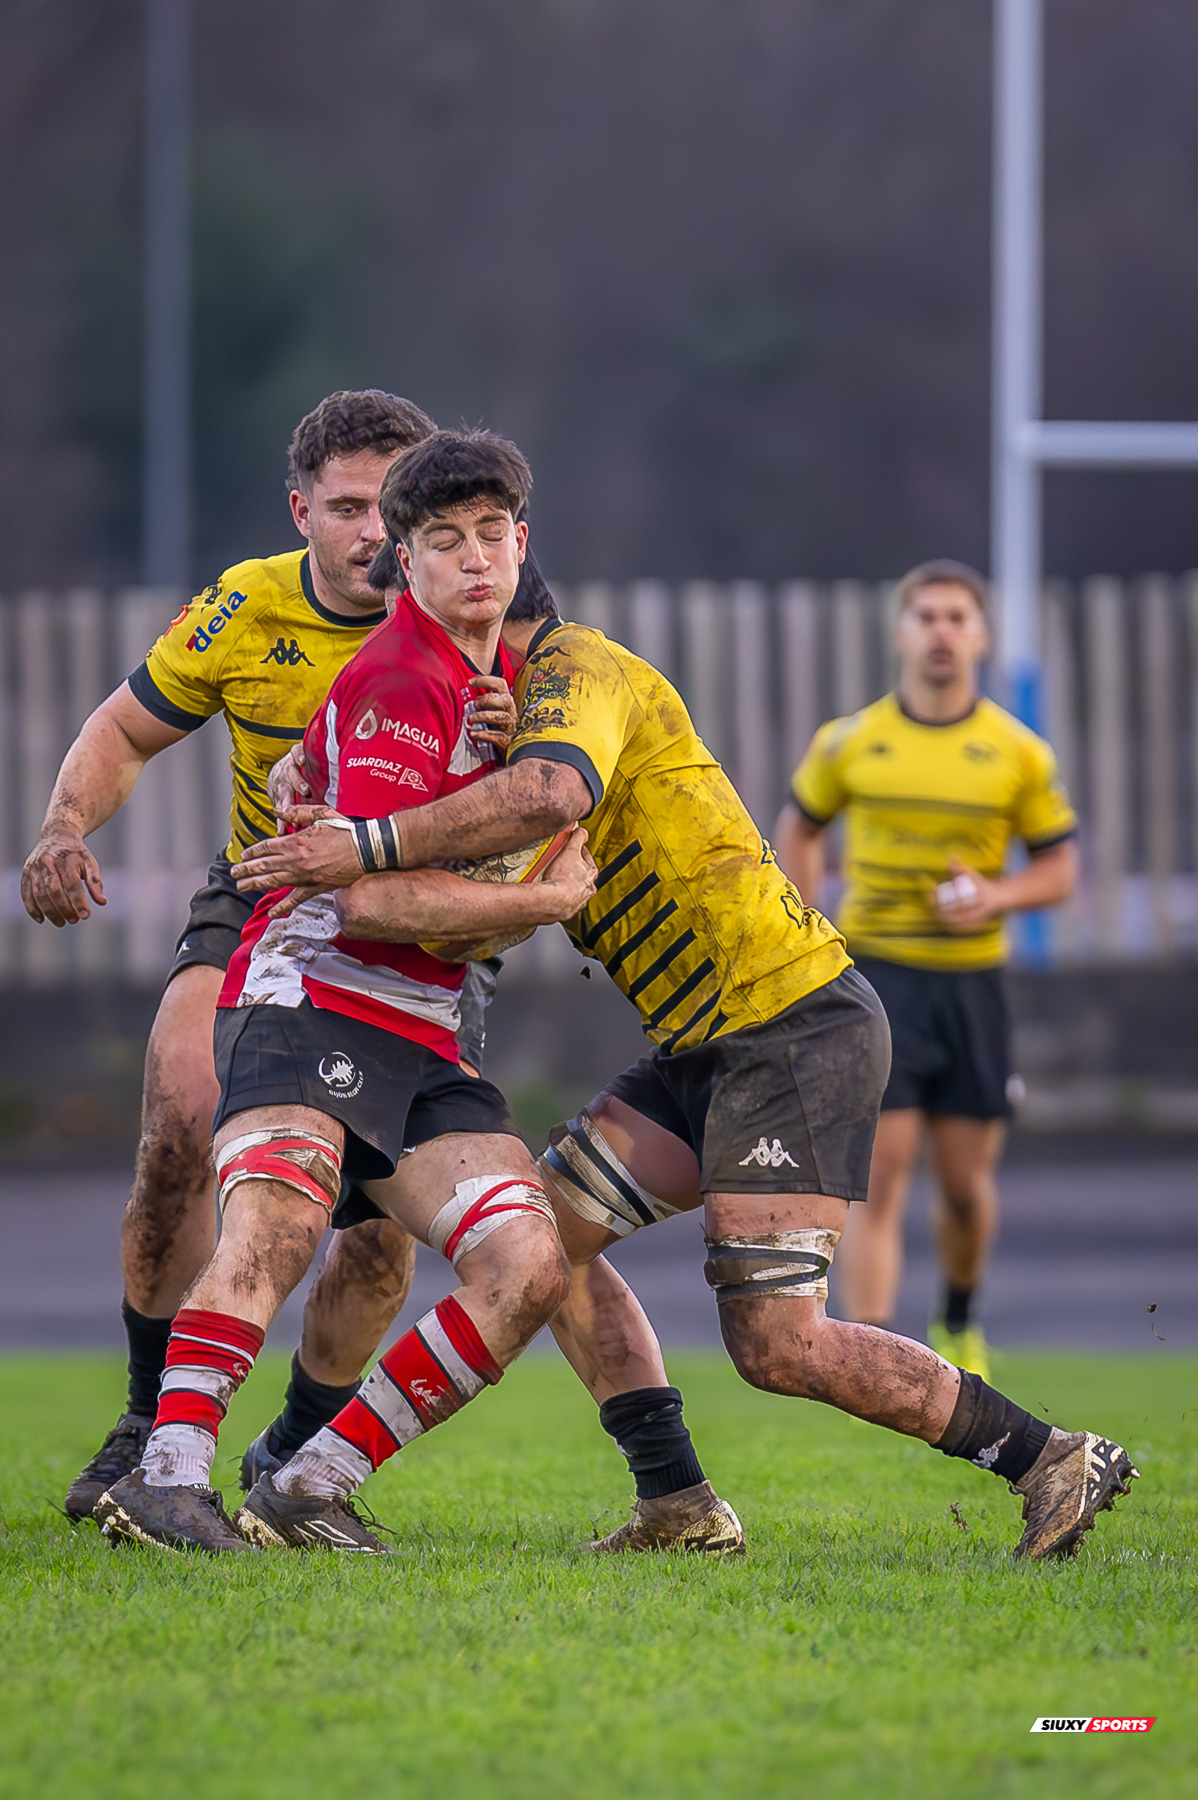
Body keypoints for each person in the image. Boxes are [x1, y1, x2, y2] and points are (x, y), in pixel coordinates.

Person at [232, 526, 1134, 1564]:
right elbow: (466, 890)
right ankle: (662, 1503)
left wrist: (366, 846)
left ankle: (1050, 1455)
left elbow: (546, 799)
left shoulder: (577, 666)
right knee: (537, 1249)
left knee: (775, 1344)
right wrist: (326, 799)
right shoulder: (506, 721)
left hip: (788, 1028)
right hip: (703, 1043)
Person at [95, 430, 742, 1558]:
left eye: (492, 534)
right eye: (443, 541)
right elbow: (370, 905)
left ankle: (309, 1480)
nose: (475, 559)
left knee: (528, 1261)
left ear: (522, 541)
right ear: (406, 559)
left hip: (420, 1030)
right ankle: (165, 1473)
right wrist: (544, 903)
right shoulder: (402, 678)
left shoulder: (490, 684)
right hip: (316, 999)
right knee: (284, 1217)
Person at [21, 390, 515, 1520]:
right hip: (263, 895)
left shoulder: (495, 619)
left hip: (419, 932)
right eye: (347, 509)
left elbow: (559, 777)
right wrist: (60, 828)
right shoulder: (243, 608)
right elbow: (123, 728)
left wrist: (510, 737)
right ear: (300, 511)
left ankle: (288, 1452)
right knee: (178, 1121)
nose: (374, 536)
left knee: (380, 1235)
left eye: (393, 509)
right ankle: (149, 1425)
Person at [773, 561, 1079, 1378]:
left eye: (956, 618)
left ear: (978, 637)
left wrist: (996, 895)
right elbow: (797, 830)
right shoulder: (851, 741)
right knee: (882, 1169)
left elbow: (1060, 870)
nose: (941, 632)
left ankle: (959, 1320)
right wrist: (808, 925)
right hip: (881, 981)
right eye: (926, 617)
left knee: (966, 1185)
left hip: (972, 986)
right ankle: (873, 1347)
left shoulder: (1017, 753)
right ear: (902, 632)